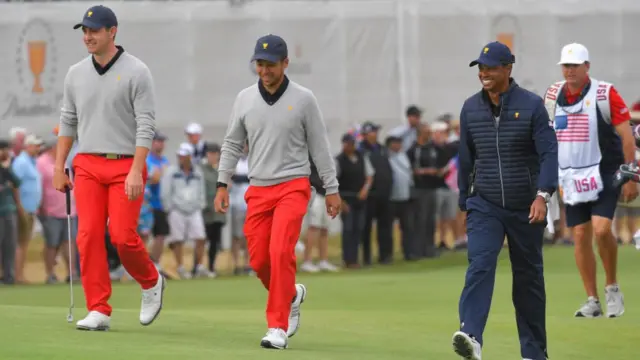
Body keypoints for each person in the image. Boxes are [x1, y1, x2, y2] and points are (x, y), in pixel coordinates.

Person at [214, 34, 341, 350]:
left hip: (293, 186)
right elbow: (231, 143)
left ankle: (277, 327)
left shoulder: (303, 99)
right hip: (258, 188)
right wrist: (222, 182)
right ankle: (291, 295)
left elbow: (319, 147)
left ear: (285, 64)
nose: (264, 71)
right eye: (260, 64)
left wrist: (332, 188)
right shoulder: (244, 98)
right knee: (259, 260)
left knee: (280, 251)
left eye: (270, 65)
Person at [53, 5, 165, 331]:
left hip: (126, 163)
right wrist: (59, 166)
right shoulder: (75, 73)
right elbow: (67, 121)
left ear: (112, 31)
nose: (88, 36)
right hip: (87, 162)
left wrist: (137, 169)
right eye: (85, 31)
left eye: (95, 31)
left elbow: (146, 124)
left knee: (122, 237)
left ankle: (151, 280)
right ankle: (98, 308)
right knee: (87, 236)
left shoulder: (137, 71)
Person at [452, 41, 558, 360]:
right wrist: (463, 201)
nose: (484, 73)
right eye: (481, 68)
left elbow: (549, 153)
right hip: (484, 204)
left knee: (528, 279)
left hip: (526, 206)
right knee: (480, 265)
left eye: (491, 68)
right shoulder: (470, 108)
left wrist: (543, 194)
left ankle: (533, 352)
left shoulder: (531, 106)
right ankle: (471, 336)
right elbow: (466, 157)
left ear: (508, 69)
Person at [544, 43, 637, 318]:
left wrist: (631, 176)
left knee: (600, 229)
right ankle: (592, 299)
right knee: (580, 235)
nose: (569, 70)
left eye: (575, 65)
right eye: (566, 65)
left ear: (587, 67)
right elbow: (546, 136)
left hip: (606, 171)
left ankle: (611, 287)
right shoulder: (552, 95)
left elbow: (627, 136)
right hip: (571, 176)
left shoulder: (604, 93)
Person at [161, 143, 207, 279]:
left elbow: (201, 191)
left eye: (184, 156)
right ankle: (180, 267)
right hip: (177, 210)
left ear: (190, 157)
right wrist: (169, 208)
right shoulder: (171, 172)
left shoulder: (197, 172)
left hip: (194, 210)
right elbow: (166, 191)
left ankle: (198, 267)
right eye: (179, 156)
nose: (181, 158)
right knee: (178, 240)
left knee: (200, 238)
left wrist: (200, 205)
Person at [335, 133, 374, 268]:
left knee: (358, 229)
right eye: (347, 143)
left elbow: (369, 176)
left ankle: (355, 259)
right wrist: (340, 201)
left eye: (351, 143)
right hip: (346, 198)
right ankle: (348, 259)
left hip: (360, 198)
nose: (349, 146)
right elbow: (333, 182)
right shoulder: (339, 160)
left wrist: (365, 190)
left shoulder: (362, 157)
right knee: (348, 229)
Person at [200, 143, 225, 277]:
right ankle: (197, 267)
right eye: (210, 153)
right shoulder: (201, 169)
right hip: (205, 210)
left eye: (215, 153)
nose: (213, 156)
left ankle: (211, 267)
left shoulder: (222, 170)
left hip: (218, 211)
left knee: (215, 241)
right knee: (202, 239)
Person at [0, 139, 21, 285]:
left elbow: (17, 182)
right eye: (5, 149)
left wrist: (6, 169)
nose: (7, 152)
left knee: (10, 243)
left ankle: (9, 275)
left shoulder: (7, 165)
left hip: (9, 209)